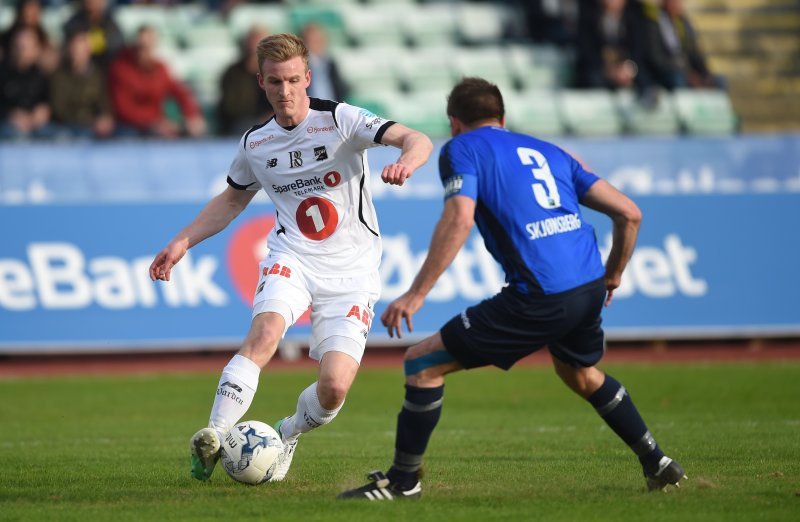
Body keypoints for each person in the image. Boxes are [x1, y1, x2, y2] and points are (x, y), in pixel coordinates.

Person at [338, 77, 685, 500]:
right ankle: (658, 462)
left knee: (421, 364)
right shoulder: (550, 151)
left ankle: (403, 482)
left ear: (454, 123)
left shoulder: (462, 149)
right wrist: (613, 275)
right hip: (589, 284)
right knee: (581, 374)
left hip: (540, 295)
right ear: (503, 118)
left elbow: (459, 219)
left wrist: (415, 293)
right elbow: (630, 214)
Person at [148, 33, 433, 483]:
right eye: (276, 82)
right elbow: (231, 201)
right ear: (261, 81)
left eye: (294, 80)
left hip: (353, 273)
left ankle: (288, 431)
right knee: (264, 335)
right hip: (293, 256)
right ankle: (214, 436)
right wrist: (184, 240)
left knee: (334, 388)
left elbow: (415, 138)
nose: (286, 91)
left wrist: (408, 162)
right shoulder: (256, 144)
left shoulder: (339, 119)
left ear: (308, 77)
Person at [108, 25, 206, 139]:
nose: (145, 51)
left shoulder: (161, 69)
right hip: (130, 126)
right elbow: (123, 109)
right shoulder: (120, 69)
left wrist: (192, 115)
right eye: (141, 46)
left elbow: (181, 93)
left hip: (155, 126)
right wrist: (155, 122)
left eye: (149, 46)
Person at [49, 29, 115, 139]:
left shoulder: (97, 75)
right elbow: (59, 109)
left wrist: (105, 118)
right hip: (67, 126)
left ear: (88, 50)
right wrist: (90, 121)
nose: (76, 52)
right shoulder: (58, 75)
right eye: (74, 48)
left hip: (92, 126)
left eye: (81, 48)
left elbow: (103, 102)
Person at [217, 24, 273, 137]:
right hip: (242, 123)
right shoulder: (233, 72)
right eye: (254, 40)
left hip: (273, 121)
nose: (257, 45)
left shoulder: (275, 72)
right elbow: (230, 107)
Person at [0, 27, 52, 140]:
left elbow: (49, 101)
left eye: (27, 48)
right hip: (8, 128)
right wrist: (10, 115)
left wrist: (43, 112)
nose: (22, 52)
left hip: (37, 127)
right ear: (12, 48)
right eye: (19, 47)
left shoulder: (42, 75)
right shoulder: (3, 73)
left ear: (36, 50)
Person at [62, 0, 124, 69]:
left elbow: (116, 45)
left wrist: (91, 43)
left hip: (104, 67)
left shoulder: (110, 22)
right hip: (79, 69)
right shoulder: (73, 23)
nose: (92, 2)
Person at [301, 23, 347, 102]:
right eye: (312, 41)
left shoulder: (330, 63)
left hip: (331, 106)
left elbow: (340, 88)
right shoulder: (302, 64)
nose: (316, 44)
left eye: (318, 40)